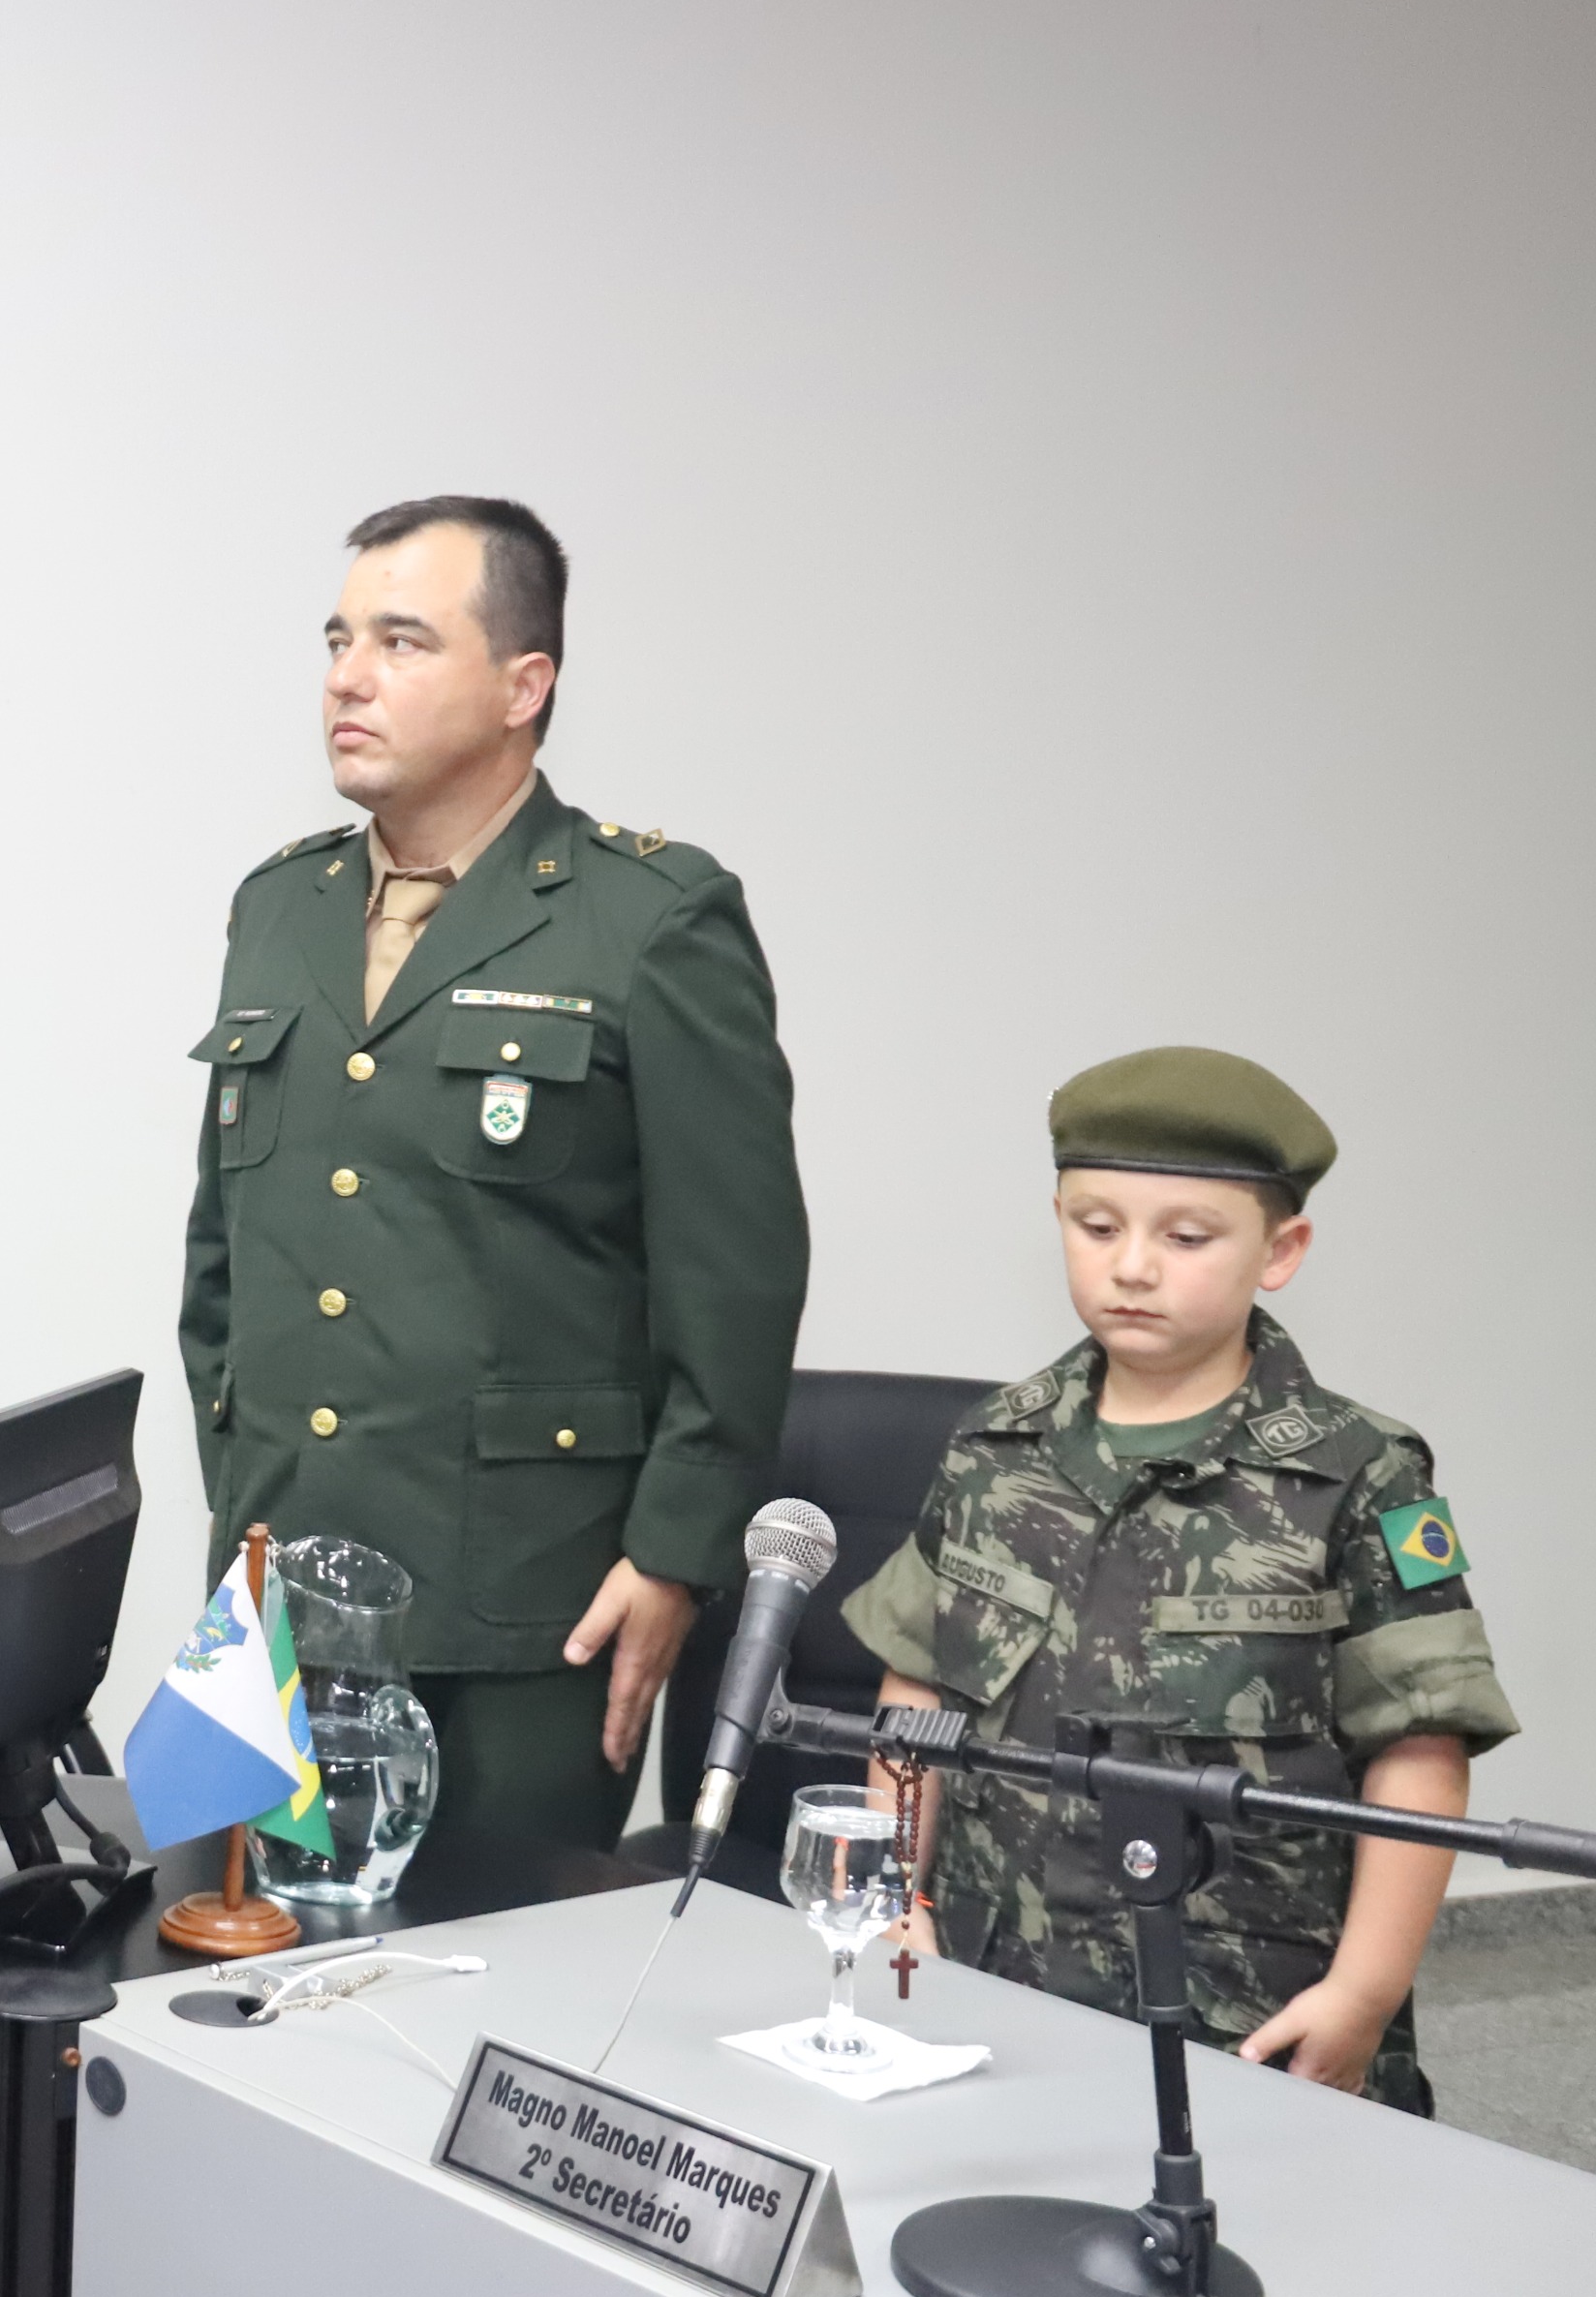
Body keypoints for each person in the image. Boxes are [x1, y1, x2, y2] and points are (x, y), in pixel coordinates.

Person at [179, 497, 811, 1853]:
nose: (347, 678)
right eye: (338, 640)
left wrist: (672, 1556)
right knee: (211, 1958)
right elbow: (220, 1257)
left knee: (494, 1970)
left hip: (524, 1609)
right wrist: (243, 1497)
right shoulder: (276, 907)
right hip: (274, 1591)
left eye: (400, 641)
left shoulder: (648, 920)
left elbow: (737, 1283)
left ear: (524, 687)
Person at [841, 1047, 1519, 2112]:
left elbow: (1419, 1749)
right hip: (991, 1978)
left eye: (1185, 1237)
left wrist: (1364, 1993)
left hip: (1242, 2013)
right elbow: (916, 1695)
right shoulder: (991, 1450)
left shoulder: (1359, 1475)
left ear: (1280, 1250)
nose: (1131, 1266)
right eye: (1095, 1226)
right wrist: (892, 1892)